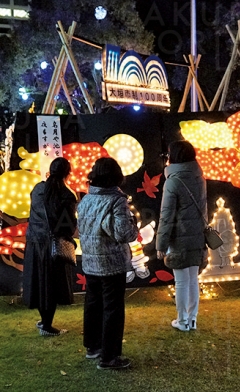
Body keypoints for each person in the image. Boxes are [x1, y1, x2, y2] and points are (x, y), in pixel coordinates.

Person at [77, 157, 138, 370]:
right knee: (113, 308)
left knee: (93, 304)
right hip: (111, 263)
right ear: (116, 175)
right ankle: (109, 357)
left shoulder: (85, 200)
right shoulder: (116, 200)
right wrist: (134, 225)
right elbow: (124, 233)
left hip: (90, 261)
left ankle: (93, 347)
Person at [156, 140, 208, 332]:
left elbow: (166, 215)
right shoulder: (200, 177)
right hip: (197, 236)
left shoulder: (173, 181)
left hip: (179, 237)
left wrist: (160, 244)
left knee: (181, 281)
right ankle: (192, 319)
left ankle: (182, 320)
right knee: (193, 278)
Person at [23, 157, 77, 336]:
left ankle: (44, 321)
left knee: (38, 283)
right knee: (52, 285)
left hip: (34, 243)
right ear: (67, 173)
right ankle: (47, 325)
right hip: (53, 245)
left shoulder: (38, 189)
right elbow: (67, 225)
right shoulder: (67, 194)